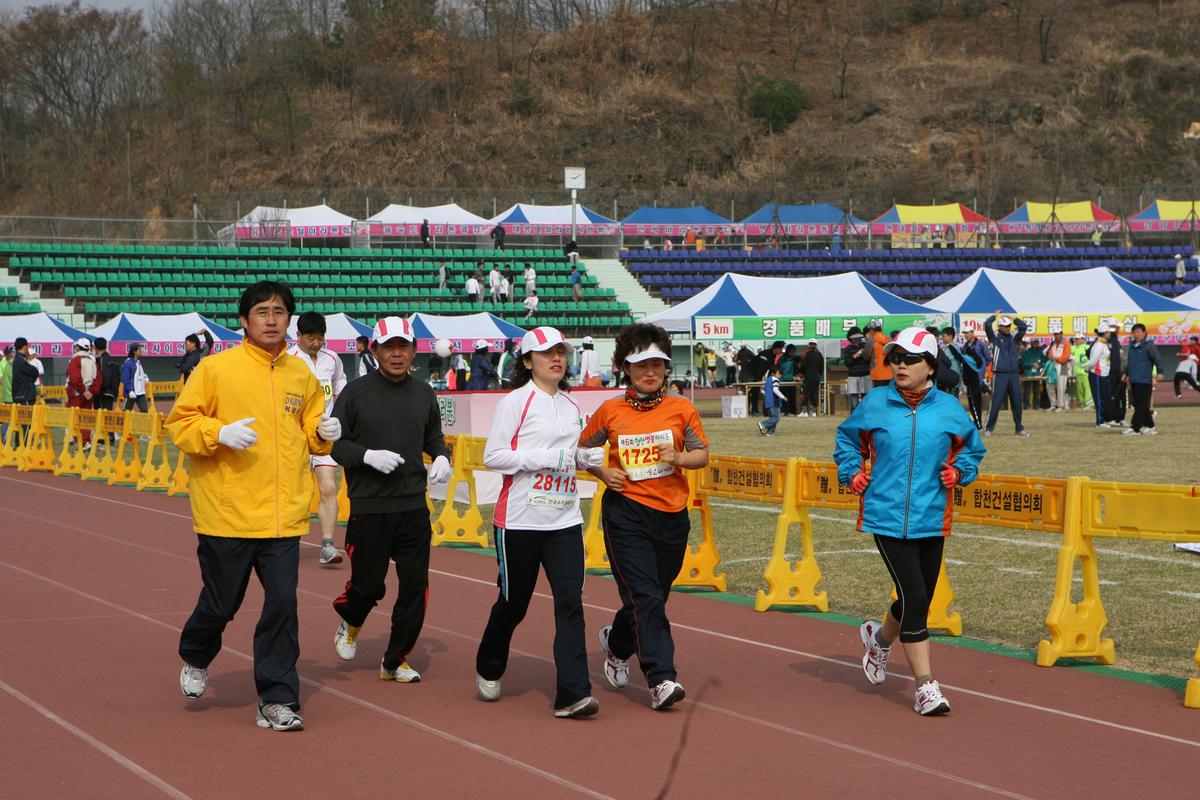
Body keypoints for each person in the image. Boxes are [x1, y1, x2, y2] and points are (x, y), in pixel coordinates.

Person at [167, 280, 340, 732]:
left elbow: (312, 429)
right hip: (227, 512)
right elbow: (181, 423)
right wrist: (217, 433)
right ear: (244, 320)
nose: (270, 319)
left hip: (282, 516)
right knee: (222, 604)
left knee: (282, 606)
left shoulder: (301, 374)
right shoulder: (215, 369)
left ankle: (277, 699)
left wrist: (326, 432)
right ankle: (197, 653)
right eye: (261, 311)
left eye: (279, 312)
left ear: (290, 321)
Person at [835, 327, 985, 717]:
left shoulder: (950, 409)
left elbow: (972, 450)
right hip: (885, 515)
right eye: (896, 358)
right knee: (917, 599)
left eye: (911, 359)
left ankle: (879, 640)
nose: (900, 365)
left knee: (915, 598)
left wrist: (961, 472)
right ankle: (926, 688)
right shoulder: (875, 404)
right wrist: (852, 472)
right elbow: (848, 441)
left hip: (932, 516)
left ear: (931, 367)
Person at [475, 326, 605, 718]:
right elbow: (494, 457)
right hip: (519, 520)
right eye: (547, 353)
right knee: (514, 603)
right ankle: (490, 663)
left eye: (561, 352)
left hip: (564, 518)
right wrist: (548, 458)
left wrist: (585, 459)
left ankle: (572, 693)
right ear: (528, 361)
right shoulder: (515, 402)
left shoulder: (569, 405)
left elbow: (570, 455)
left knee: (570, 603)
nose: (557, 359)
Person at [580, 322, 710, 711]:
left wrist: (681, 458)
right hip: (626, 514)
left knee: (651, 598)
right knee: (647, 598)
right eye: (641, 365)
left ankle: (617, 644)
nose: (650, 372)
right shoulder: (610, 411)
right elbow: (580, 450)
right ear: (624, 367)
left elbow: (702, 454)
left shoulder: (682, 409)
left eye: (657, 363)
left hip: (671, 515)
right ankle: (661, 679)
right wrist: (603, 472)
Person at [329, 316, 453, 685]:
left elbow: (433, 436)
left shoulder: (423, 393)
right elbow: (336, 446)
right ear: (375, 350)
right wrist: (367, 456)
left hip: (413, 505)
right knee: (369, 585)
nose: (397, 354)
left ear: (414, 350)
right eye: (389, 347)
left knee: (415, 586)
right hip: (370, 506)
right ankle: (352, 618)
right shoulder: (355, 392)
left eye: (403, 346)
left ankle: (395, 659)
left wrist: (442, 456)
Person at [289, 311, 349, 566]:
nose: (316, 343)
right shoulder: (287, 360)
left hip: (323, 439)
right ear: (298, 335)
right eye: (311, 338)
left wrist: (340, 418)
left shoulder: (332, 359)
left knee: (328, 488)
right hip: (295, 438)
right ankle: (286, 542)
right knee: (294, 492)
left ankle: (327, 544)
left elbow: (340, 387)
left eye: (320, 338)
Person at [983, 310, 1029, 437]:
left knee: (1016, 401)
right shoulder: (995, 337)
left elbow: (1023, 327)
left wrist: (1013, 318)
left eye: (1009, 326)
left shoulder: (1014, 338)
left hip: (1013, 373)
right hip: (1000, 373)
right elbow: (987, 324)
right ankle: (989, 428)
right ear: (999, 327)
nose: (1008, 328)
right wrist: (994, 316)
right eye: (1005, 326)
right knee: (996, 401)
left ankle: (1019, 428)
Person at [1122, 323, 1163, 436]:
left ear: (1144, 333)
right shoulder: (1132, 346)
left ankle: (1135, 427)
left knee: (1140, 405)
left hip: (1144, 380)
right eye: (1134, 332)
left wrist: (1160, 373)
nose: (1136, 334)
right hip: (1134, 379)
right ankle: (1150, 426)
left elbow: (1158, 359)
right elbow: (1129, 362)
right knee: (1140, 404)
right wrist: (1126, 373)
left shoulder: (1149, 346)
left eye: (1138, 332)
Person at [65, 338, 101, 449]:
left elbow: (75, 378)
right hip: (89, 394)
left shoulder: (75, 360)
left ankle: (82, 442)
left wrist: (83, 390)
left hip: (77, 394)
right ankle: (86, 442)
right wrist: (91, 391)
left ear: (78, 347)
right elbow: (99, 379)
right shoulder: (92, 361)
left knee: (75, 419)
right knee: (86, 419)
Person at [1087, 327, 1113, 429]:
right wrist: (1088, 368)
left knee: (1104, 397)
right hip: (1097, 374)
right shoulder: (1098, 345)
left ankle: (1104, 419)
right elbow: (1093, 360)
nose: (1110, 333)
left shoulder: (1104, 344)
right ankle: (1099, 421)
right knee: (1098, 398)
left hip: (1104, 374)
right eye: (1108, 332)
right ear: (1104, 333)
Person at [842, 327, 871, 411]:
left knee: (866, 398)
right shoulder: (847, 349)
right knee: (853, 400)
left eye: (858, 337)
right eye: (854, 338)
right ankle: (854, 417)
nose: (857, 339)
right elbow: (847, 363)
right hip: (853, 376)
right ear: (850, 338)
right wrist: (855, 356)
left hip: (865, 374)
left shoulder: (865, 346)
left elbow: (869, 359)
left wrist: (864, 353)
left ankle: (865, 416)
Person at [1045, 332, 1072, 412]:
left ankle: (1061, 405)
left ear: (1061, 334)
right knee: (1049, 385)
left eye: (1058, 334)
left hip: (1062, 367)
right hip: (1053, 366)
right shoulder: (1053, 343)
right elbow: (1049, 354)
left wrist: (1055, 358)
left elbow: (1065, 358)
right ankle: (1053, 404)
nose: (1056, 335)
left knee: (1061, 387)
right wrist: (1053, 357)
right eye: (1055, 334)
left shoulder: (1066, 343)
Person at [798, 340, 824, 417]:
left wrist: (801, 375)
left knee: (806, 394)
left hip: (808, 377)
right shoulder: (819, 354)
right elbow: (821, 367)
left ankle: (805, 412)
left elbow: (802, 365)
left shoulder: (806, 353)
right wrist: (819, 374)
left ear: (809, 345)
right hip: (816, 377)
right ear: (816, 345)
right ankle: (814, 412)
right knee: (815, 395)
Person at [121, 344, 149, 413]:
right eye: (139, 349)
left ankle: (142, 424)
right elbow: (125, 378)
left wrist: (144, 378)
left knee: (144, 410)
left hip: (141, 393)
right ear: (134, 351)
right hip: (131, 392)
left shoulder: (138, 363)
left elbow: (137, 376)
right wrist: (130, 391)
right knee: (126, 412)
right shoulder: (128, 363)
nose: (141, 351)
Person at [10, 338, 39, 406]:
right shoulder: (20, 360)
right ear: (25, 347)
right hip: (24, 397)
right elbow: (35, 372)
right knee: (27, 416)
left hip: (20, 396)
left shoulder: (19, 359)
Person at [758, 365, 785, 436]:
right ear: (773, 373)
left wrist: (767, 396)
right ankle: (763, 424)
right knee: (776, 417)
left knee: (773, 417)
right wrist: (783, 396)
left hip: (768, 402)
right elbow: (775, 390)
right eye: (779, 373)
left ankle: (770, 432)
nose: (780, 375)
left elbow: (762, 390)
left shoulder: (768, 380)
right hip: (774, 402)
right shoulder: (775, 380)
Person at [1070, 336, 1093, 409]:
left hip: (1086, 372)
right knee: (1080, 390)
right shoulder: (1074, 348)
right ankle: (1083, 404)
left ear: (1082, 339)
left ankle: (1090, 405)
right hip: (1078, 373)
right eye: (1075, 339)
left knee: (1087, 389)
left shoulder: (1087, 347)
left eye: (1077, 339)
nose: (1076, 340)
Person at [866, 323, 891, 388]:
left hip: (877, 374)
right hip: (890, 374)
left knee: (878, 395)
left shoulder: (871, 341)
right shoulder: (889, 340)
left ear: (871, 330)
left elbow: (865, 356)